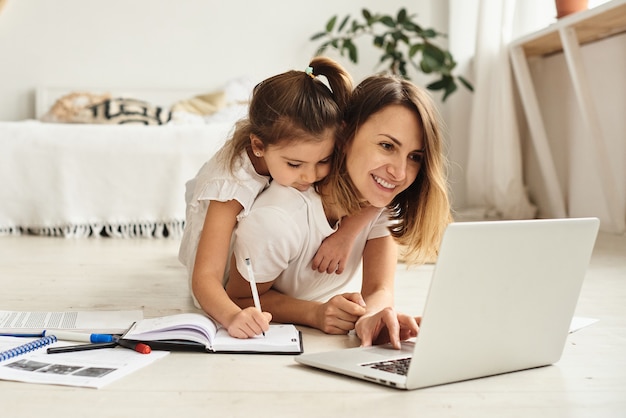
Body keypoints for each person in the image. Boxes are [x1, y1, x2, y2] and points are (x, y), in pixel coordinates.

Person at [226, 74, 452, 349]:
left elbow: (379, 289)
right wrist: (314, 313)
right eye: (387, 146)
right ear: (345, 136)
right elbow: (239, 298)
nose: (400, 172)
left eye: (415, 156)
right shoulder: (278, 219)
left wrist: (373, 316)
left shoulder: (378, 203)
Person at [179, 57, 377, 339]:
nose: (310, 176)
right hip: (226, 278)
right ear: (258, 147)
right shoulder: (230, 183)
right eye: (295, 165)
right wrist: (233, 316)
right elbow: (205, 278)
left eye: (323, 161)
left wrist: (346, 234)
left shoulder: (308, 152)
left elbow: (385, 197)